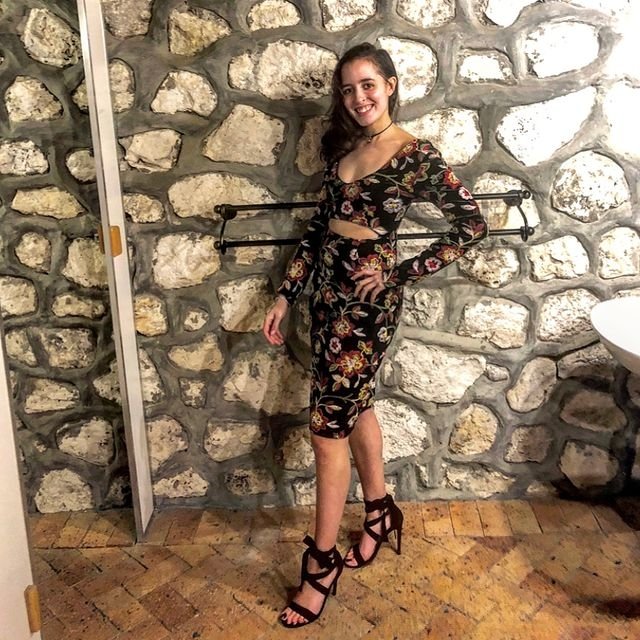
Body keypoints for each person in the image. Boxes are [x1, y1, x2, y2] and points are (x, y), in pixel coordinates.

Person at [262, 42, 488, 629]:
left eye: (368, 84)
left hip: (366, 309)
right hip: (325, 299)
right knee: (354, 406)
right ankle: (381, 512)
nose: (358, 97)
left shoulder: (415, 154)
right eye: (348, 89)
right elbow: (318, 229)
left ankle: (320, 566)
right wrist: (286, 294)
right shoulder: (346, 149)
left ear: (389, 85)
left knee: (325, 433)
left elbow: (471, 224)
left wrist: (398, 271)